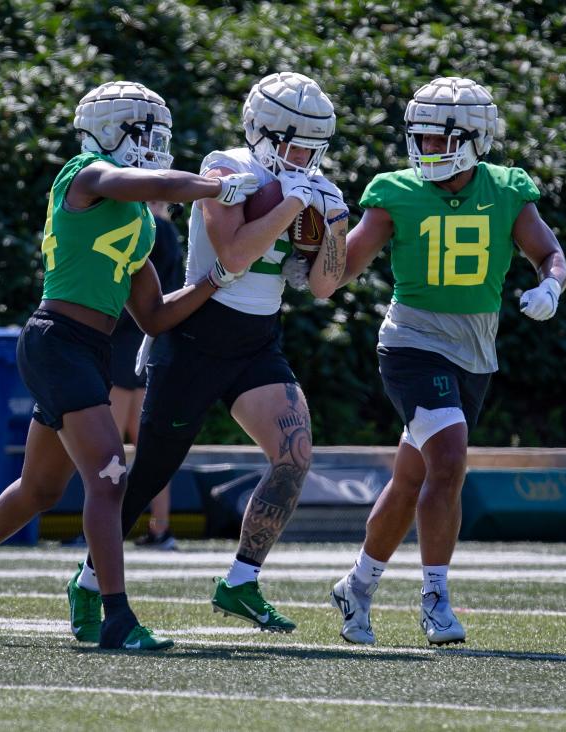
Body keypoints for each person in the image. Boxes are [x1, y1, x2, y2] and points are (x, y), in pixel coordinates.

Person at [0, 80, 258, 651]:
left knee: (38, 490)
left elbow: (154, 314)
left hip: (87, 350)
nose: (154, 143)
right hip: (55, 339)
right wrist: (216, 187)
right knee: (109, 479)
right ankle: (116, 616)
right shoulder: (83, 173)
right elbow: (152, 182)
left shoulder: (141, 223)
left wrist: (216, 281)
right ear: (108, 132)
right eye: (143, 131)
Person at [70, 71, 350, 637]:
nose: (306, 157)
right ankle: (86, 579)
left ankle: (241, 580)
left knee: (293, 457)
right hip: (194, 339)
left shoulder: (314, 187)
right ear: (264, 133)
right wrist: (293, 203)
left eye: (315, 147)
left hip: (256, 340)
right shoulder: (227, 167)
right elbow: (236, 255)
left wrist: (334, 225)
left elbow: (323, 286)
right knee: (148, 475)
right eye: (296, 143)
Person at [329, 76, 566, 646]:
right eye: (422, 138)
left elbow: (549, 253)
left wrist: (551, 288)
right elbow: (342, 268)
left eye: (438, 139)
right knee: (450, 459)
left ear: (472, 137)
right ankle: (435, 595)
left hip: (475, 351)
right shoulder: (394, 191)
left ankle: (357, 584)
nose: (426, 150)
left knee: (413, 478)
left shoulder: (508, 188)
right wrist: (314, 236)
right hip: (412, 342)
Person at [111, 201, 183, 550]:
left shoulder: (149, 228)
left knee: (106, 445)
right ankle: (160, 527)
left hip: (127, 341)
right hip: (157, 341)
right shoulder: (172, 232)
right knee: (147, 446)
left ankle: (101, 525)